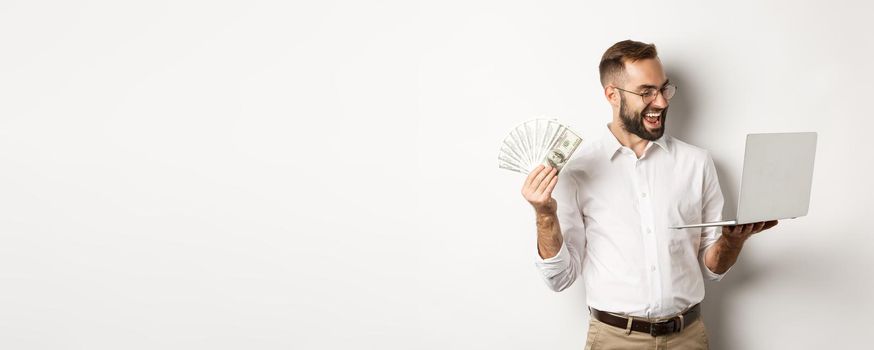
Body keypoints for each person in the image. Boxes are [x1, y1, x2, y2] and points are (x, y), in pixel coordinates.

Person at [521, 40, 778, 350]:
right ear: (612, 95)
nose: (661, 102)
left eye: (664, 89)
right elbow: (558, 279)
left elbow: (712, 270)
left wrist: (731, 241)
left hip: (688, 338)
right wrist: (544, 216)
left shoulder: (697, 163)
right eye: (646, 92)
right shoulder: (577, 171)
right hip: (613, 340)